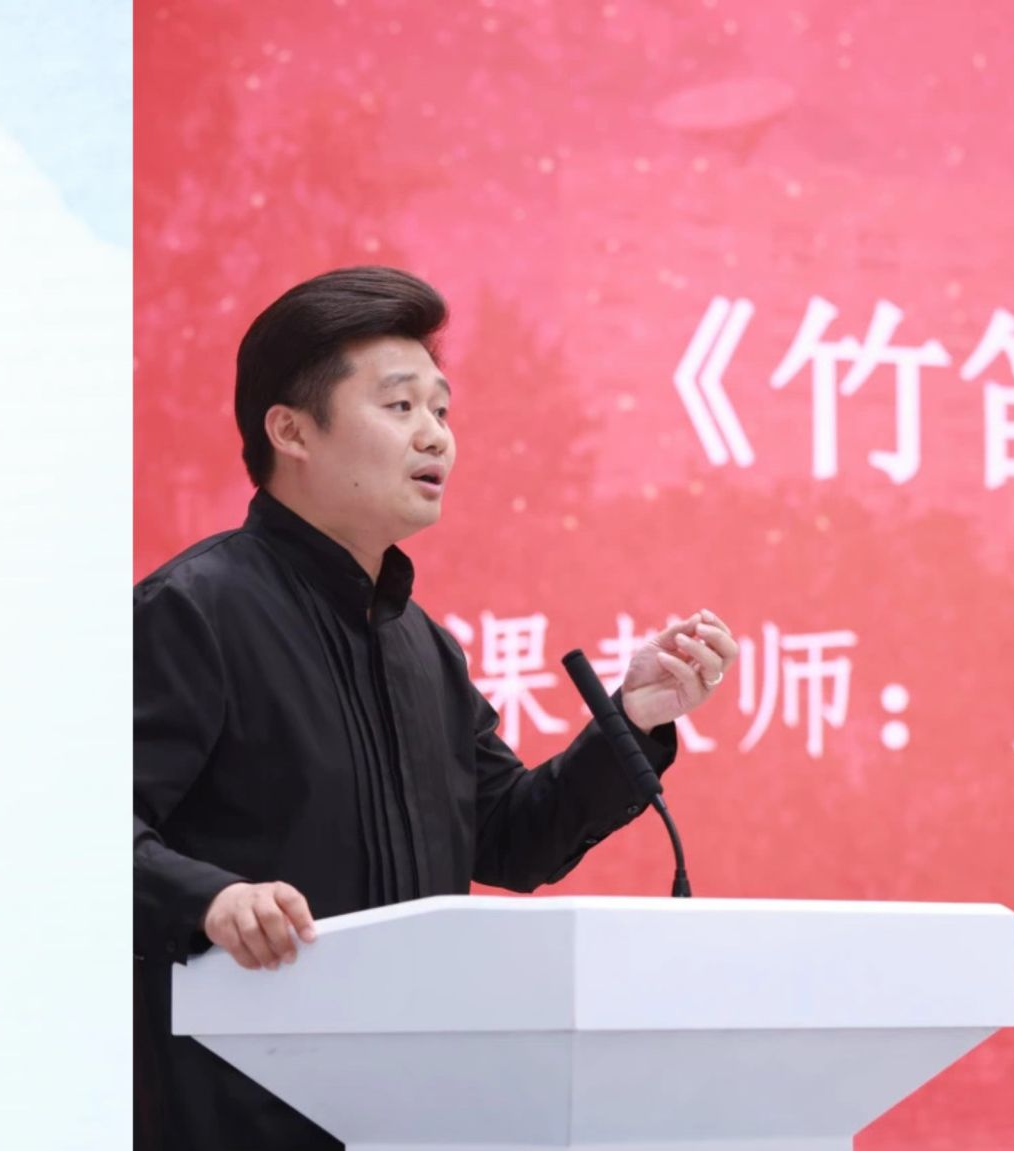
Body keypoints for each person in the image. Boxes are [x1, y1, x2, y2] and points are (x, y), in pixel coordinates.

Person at [132, 266, 739, 1150]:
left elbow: (515, 837)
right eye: (400, 405)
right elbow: (91, 838)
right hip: (239, 1113)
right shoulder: (195, 611)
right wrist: (212, 897)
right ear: (290, 430)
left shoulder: (425, 647)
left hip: (416, 1112)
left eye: (442, 410)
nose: (436, 436)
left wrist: (634, 719)